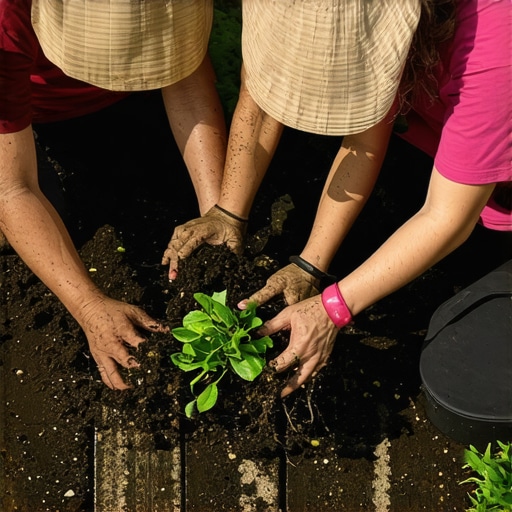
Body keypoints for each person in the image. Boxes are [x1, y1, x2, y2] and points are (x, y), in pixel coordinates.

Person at [163, 0, 511, 396]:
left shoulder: (495, 49)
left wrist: (333, 307)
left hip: (495, 195)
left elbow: (446, 217)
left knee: (472, 383)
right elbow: (358, 129)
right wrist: (240, 220)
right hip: (434, 140)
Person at [0, 0, 227, 390]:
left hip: (137, 88)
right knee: (25, 231)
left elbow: (186, 82)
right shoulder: (6, 19)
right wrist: (88, 306)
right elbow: (12, 186)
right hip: (32, 112)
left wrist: (218, 211)